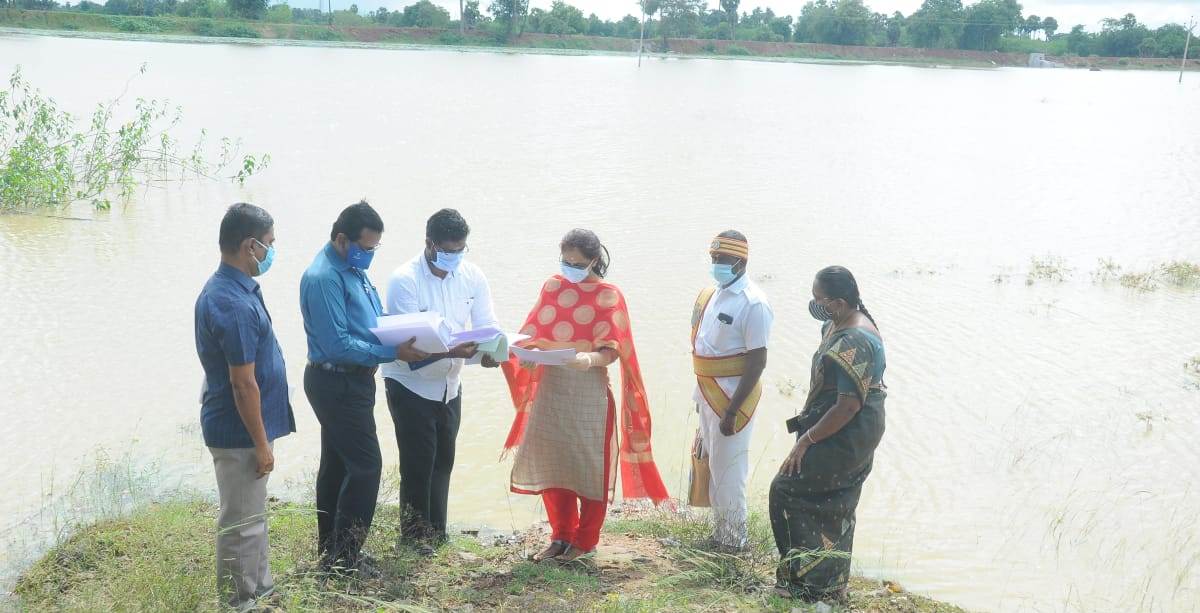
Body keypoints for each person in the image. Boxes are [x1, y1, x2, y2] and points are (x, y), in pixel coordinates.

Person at [500, 229, 670, 565]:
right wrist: (525, 352)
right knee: (554, 464)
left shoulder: (609, 296)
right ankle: (560, 535)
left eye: (577, 263)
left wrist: (588, 359)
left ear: (594, 260)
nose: (570, 268)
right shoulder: (553, 287)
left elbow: (614, 351)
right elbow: (530, 334)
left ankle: (585, 540)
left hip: (589, 391)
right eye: (565, 261)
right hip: (550, 390)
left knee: (590, 469)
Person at [299, 201, 426, 575]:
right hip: (335, 379)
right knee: (367, 466)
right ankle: (345, 557)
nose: (369, 254)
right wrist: (392, 351)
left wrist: (409, 329)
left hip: (353, 379)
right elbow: (338, 342)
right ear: (342, 239)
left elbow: (372, 321)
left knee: (337, 464)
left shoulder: (352, 270)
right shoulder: (323, 278)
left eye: (374, 249)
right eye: (365, 247)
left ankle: (332, 552)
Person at [194, 203, 295, 609]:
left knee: (253, 515)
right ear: (249, 245)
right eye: (269, 244)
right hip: (240, 431)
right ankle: (237, 602)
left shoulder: (235, 289)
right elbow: (242, 384)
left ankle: (261, 590)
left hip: (245, 427)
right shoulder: (232, 304)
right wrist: (261, 444)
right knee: (240, 523)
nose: (272, 252)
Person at [383, 209, 500, 551]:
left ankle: (438, 533)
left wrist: (490, 352)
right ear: (429, 245)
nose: (455, 257)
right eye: (449, 251)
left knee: (444, 460)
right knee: (418, 462)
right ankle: (414, 537)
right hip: (410, 383)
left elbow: (485, 324)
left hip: (450, 384)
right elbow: (411, 347)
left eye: (461, 250)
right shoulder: (405, 280)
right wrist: (455, 351)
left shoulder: (472, 276)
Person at [769, 266, 886, 602]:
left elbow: (848, 405)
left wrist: (807, 440)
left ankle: (801, 582)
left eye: (819, 298)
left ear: (837, 301)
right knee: (834, 502)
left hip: (848, 430)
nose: (814, 303)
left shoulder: (855, 339)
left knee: (788, 491)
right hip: (836, 423)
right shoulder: (835, 324)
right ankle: (828, 586)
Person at [690, 231, 772, 551]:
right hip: (707, 393)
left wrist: (732, 410)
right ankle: (720, 535)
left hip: (731, 399)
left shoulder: (754, 303)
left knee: (729, 473)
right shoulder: (711, 294)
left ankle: (734, 543)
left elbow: (757, 360)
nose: (716, 265)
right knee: (711, 467)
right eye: (713, 259)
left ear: (741, 261)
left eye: (722, 260)